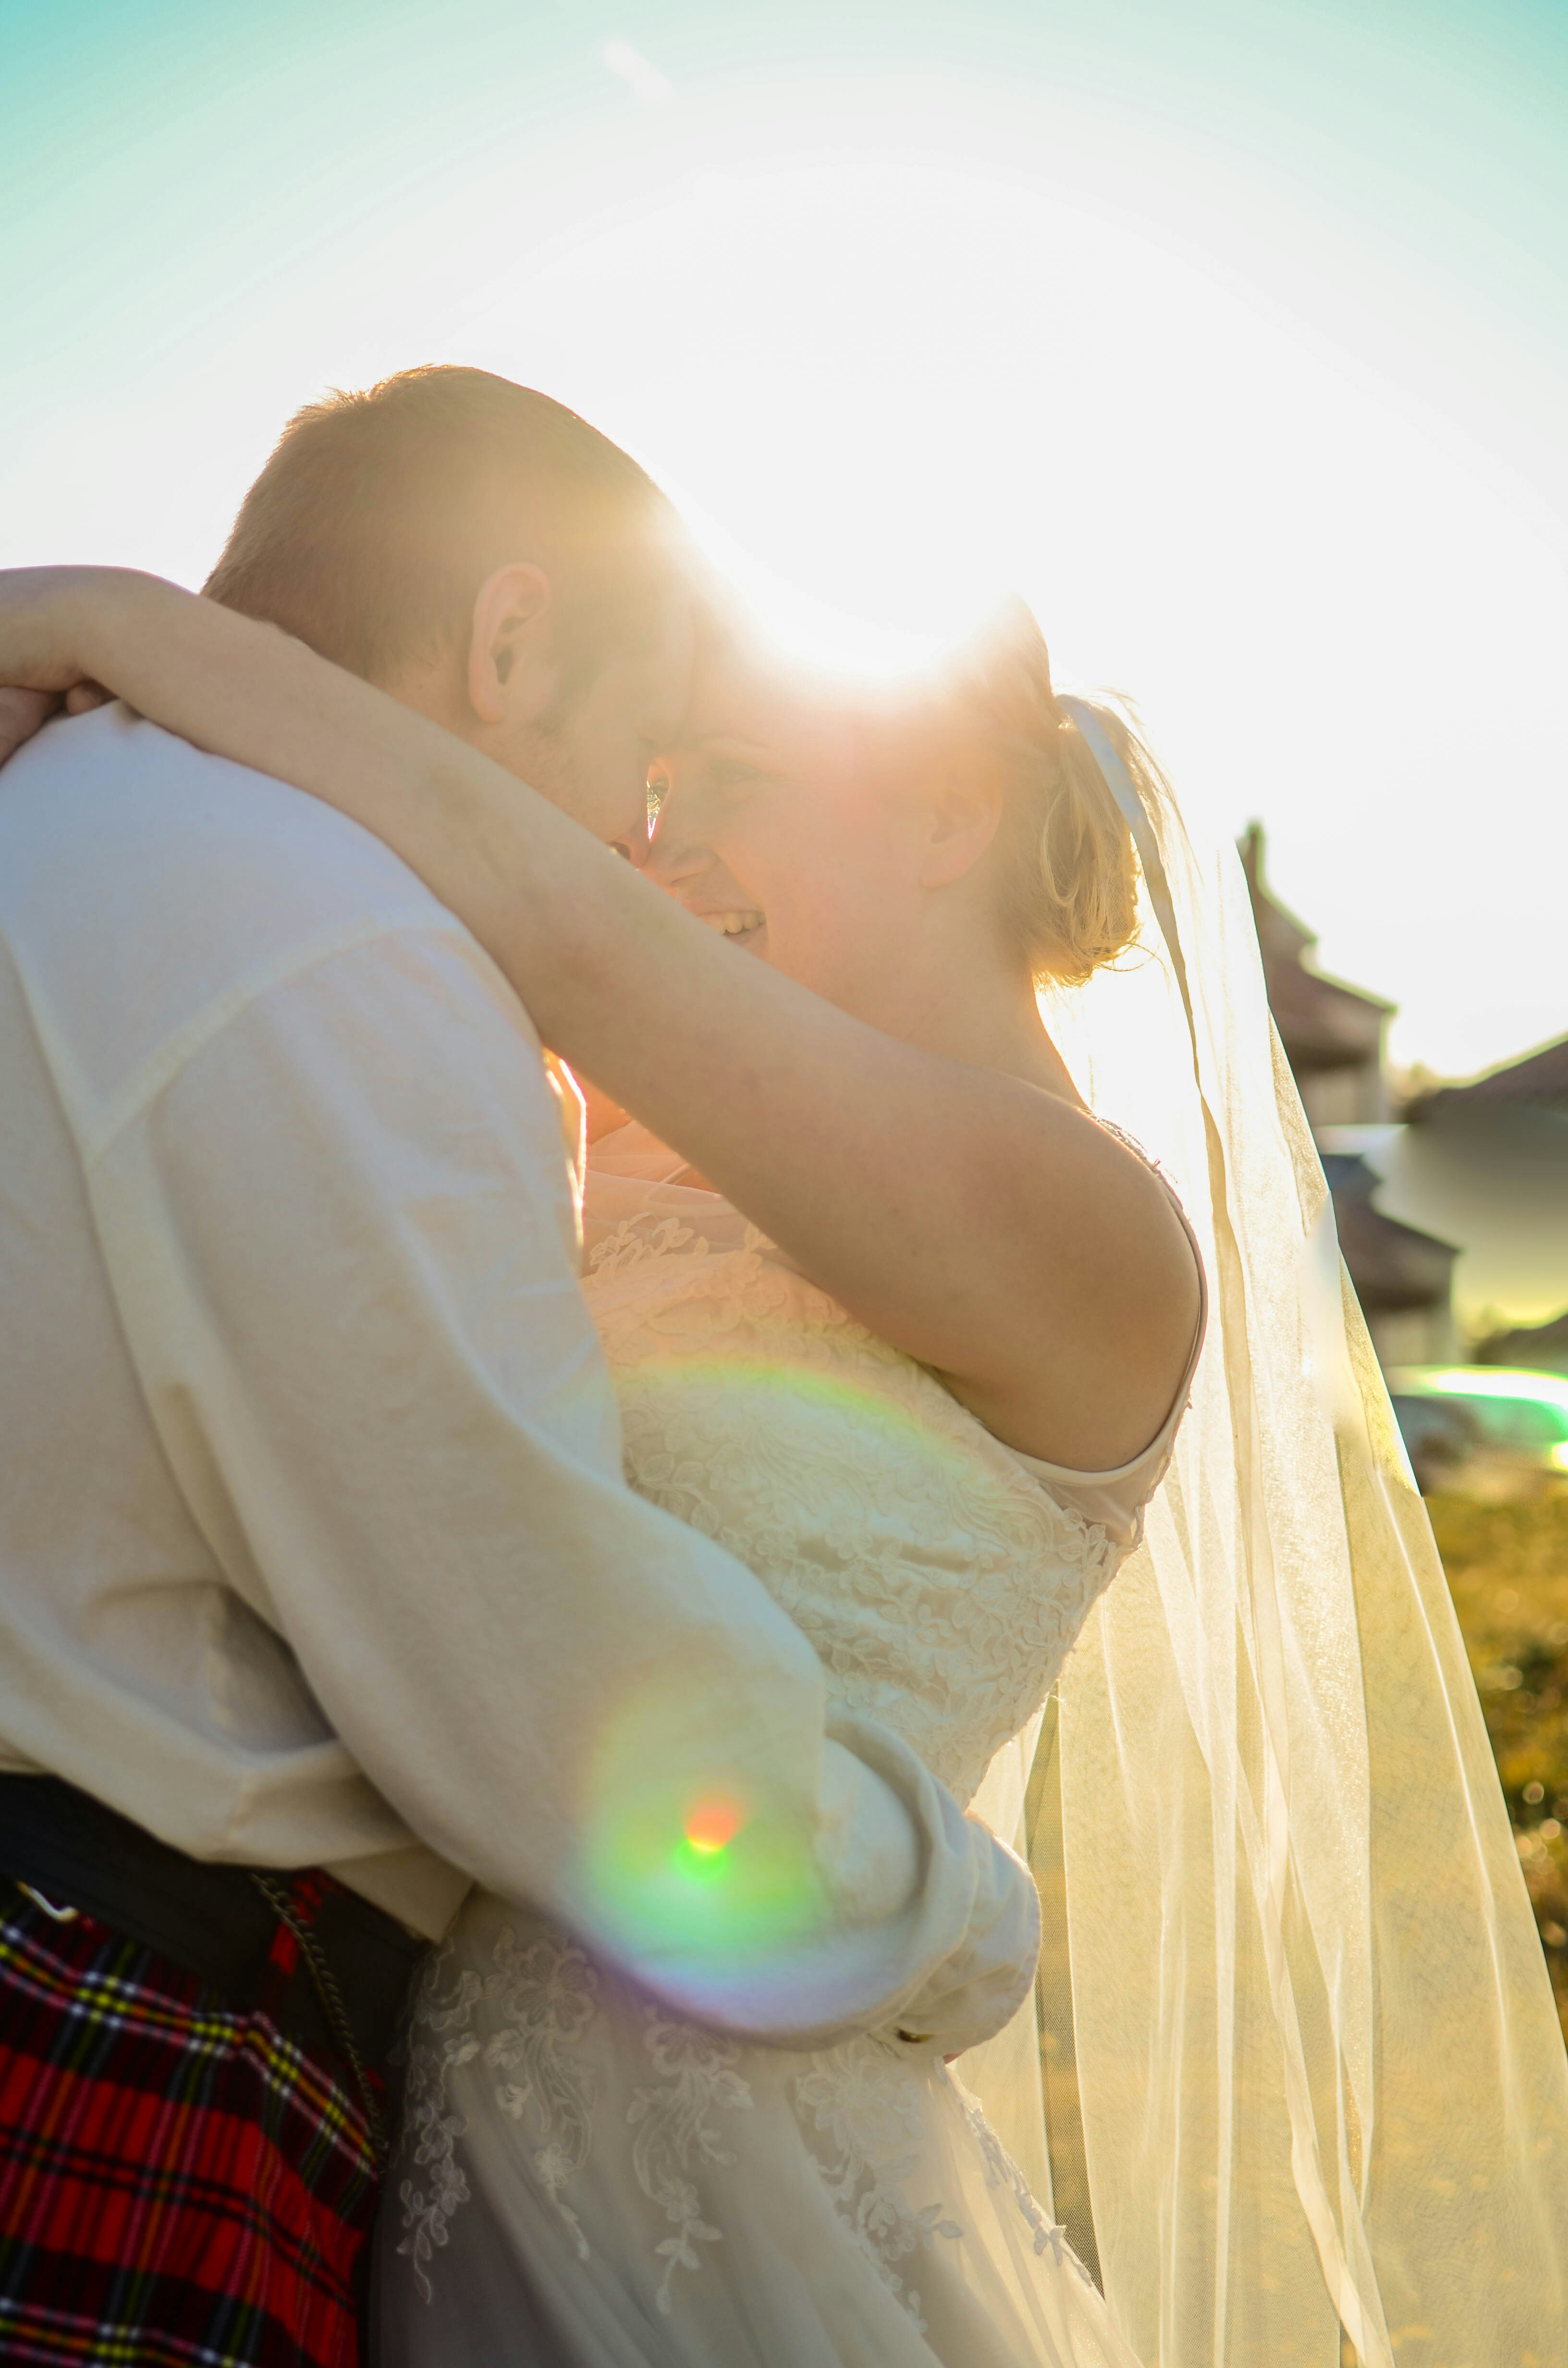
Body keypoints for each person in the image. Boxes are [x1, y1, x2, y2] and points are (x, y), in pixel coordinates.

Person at [5, 375, 1567, 2368]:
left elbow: (548, 918)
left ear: (941, 811)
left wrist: (129, 635)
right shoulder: (635, 1126)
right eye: (650, 776)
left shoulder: (1080, 1221)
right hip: (412, 2121)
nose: (656, 833)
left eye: (720, 772)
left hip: (733, 2159)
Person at [0, 370, 1071, 2368]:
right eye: (653, 756)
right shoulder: (333, 934)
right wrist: (964, 1919)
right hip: (109, 2000)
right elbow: (526, 1671)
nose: (632, 840)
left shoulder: (58, 821)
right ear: (507, 641)